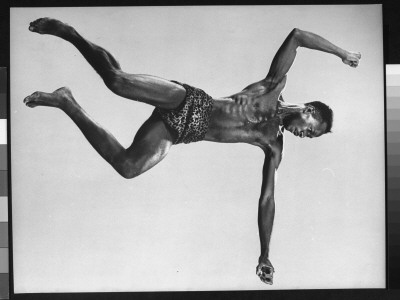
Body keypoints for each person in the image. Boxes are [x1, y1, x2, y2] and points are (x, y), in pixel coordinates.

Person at [24, 18, 361, 285]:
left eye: (309, 137)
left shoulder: (273, 144)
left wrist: (265, 253)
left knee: (128, 166)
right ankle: (69, 34)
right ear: (310, 112)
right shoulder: (272, 89)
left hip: (182, 131)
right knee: (117, 81)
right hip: (187, 101)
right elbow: (298, 35)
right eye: (310, 131)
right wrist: (342, 53)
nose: (304, 135)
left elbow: (267, 200)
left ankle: (66, 101)